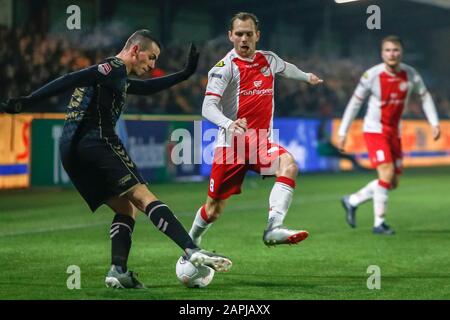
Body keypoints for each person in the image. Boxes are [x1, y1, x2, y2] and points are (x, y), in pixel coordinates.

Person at [0, 29, 232, 289]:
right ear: (135, 50)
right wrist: (29, 100)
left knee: (125, 208)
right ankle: (191, 249)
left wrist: (184, 74)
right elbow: (71, 78)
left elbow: (146, 87)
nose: (153, 65)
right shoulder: (114, 67)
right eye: (151, 57)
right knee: (143, 197)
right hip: (96, 140)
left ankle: (118, 271)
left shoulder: (117, 77)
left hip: (70, 149)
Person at [187, 12, 323, 248]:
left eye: (249, 34)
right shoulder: (223, 68)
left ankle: (273, 227)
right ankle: (191, 241)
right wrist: (229, 124)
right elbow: (207, 107)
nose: (244, 39)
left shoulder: (268, 60)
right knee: (214, 208)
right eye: (239, 34)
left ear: (257, 35)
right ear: (230, 36)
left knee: (288, 164)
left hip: (261, 143)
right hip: (231, 148)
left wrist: (305, 77)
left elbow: (285, 67)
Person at [337, 35, 440, 235]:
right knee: (386, 171)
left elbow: (425, 96)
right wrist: (343, 131)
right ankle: (379, 224)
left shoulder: (411, 74)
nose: (392, 54)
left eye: (395, 50)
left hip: (395, 132)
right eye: (388, 50)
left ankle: (352, 200)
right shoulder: (371, 76)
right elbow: (355, 103)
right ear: (382, 53)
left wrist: (434, 122)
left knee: (392, 182)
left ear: (401, 52)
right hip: (374, 130)